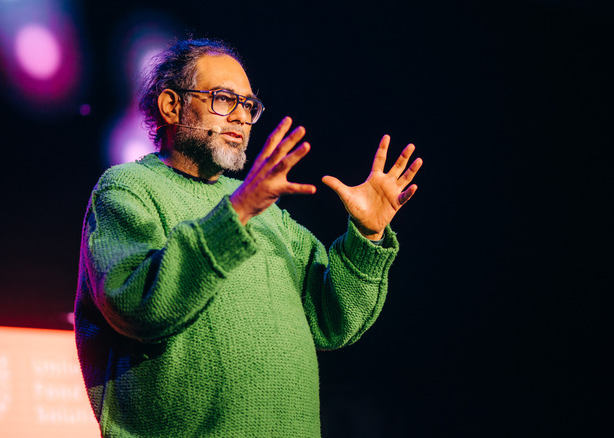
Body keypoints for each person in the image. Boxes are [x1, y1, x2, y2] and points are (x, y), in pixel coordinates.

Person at [75, 38, 422, 437]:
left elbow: (331, 321)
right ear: (172, 106)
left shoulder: (265, 210)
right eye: (224, 99)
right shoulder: (128, 188)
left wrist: (366, 233)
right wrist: (237, 212)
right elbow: (136, 305)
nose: (241, 117)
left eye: (249, 105)